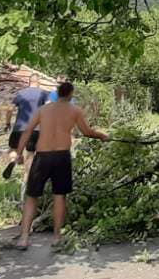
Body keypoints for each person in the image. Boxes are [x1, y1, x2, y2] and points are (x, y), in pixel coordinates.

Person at [14, 81, 109, 250]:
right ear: (71, 93)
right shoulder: (74, 110)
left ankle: (24, 237)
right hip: (61, 157)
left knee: (32, 196)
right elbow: (86, 132)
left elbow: (28, 130)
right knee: (59, 196)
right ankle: (57, 237)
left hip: (42, 156)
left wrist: (19, 153)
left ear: (57, 93)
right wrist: (102, 135)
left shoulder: (43, 110)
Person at [3, 78, 49, 179]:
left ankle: (12, 161)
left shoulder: (20, 94)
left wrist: (7, 123)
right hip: (35, 129)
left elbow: (10, 109)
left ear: (29, 83)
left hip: (19, 128)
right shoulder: (43, 94)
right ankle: (27, 179)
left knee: (13, 149)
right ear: (39, 83)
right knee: (30, 154)